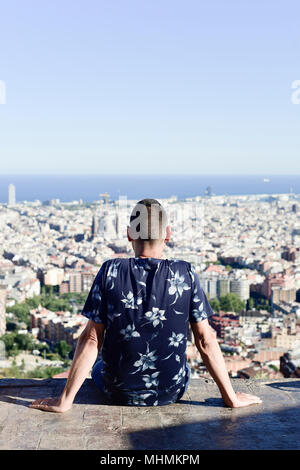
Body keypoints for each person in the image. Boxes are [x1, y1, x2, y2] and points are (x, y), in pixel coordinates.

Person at [30, 198, 262, 412]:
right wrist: (230, 397)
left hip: (117, 391)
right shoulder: (185, 273)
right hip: (171, 391)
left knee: (100, 366)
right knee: (185, 367)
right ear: (167, 234)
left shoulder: (110, 271)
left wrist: (64, 401)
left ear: (129, 234)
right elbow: (205, 339)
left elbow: (92, 339)